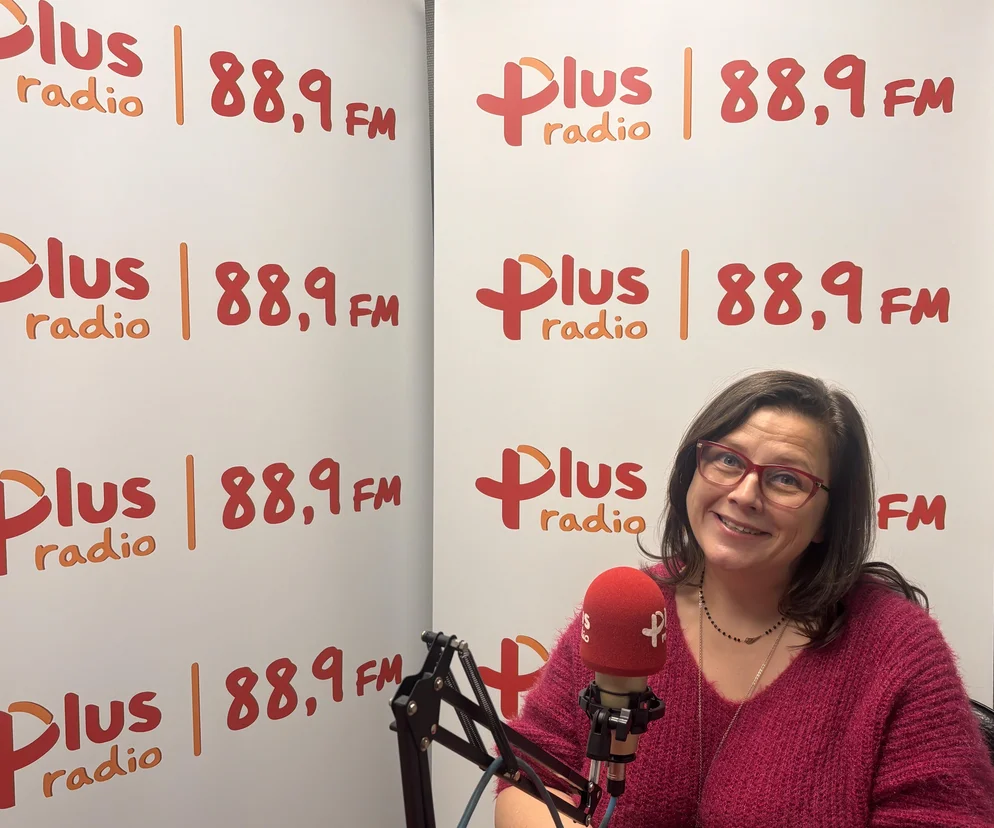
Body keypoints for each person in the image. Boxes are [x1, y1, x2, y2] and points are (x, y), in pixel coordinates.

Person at [493, 369, 994, 827]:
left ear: (828, 519)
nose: (745, 494)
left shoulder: (898, 652)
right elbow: (529, 777)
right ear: (692, 472)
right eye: (728, 460)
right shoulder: (630, 611)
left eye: (786, 479)